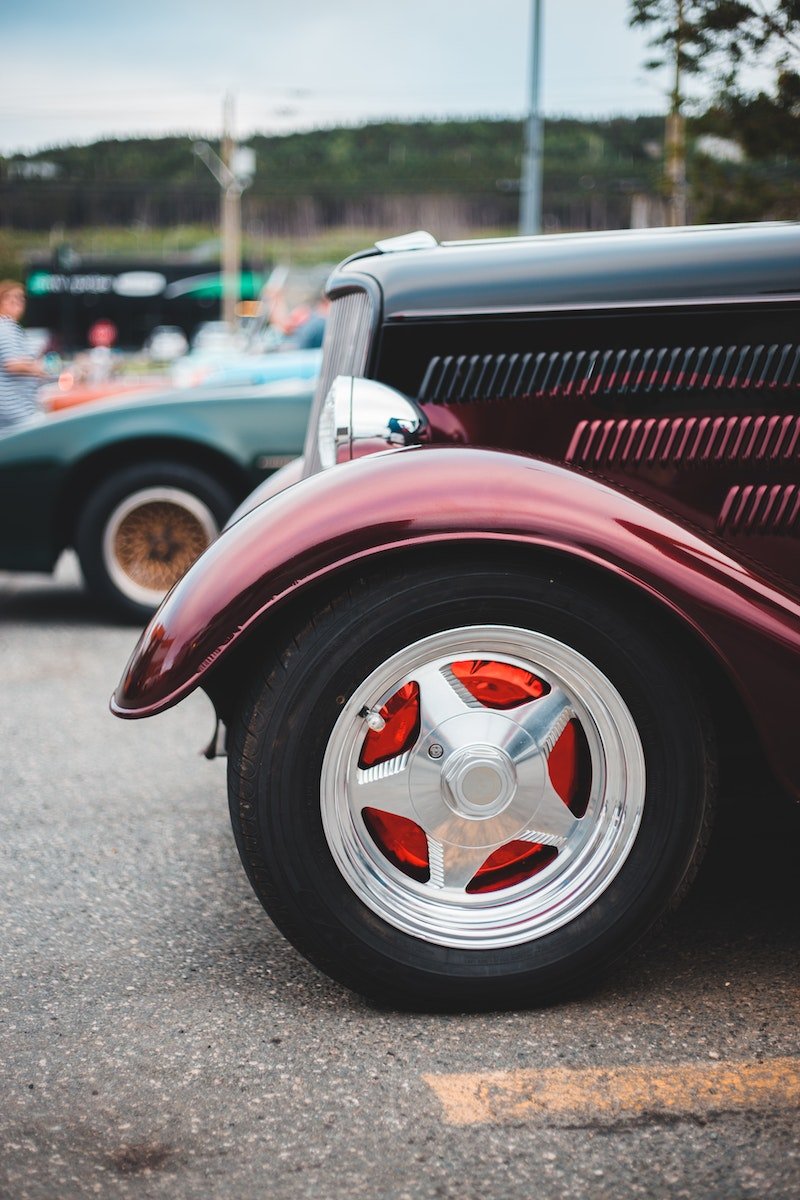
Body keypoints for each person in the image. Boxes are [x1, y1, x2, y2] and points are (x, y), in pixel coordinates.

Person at [0, 279, 49, 431]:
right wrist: (38, 369)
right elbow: (13, 364)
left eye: (20, 298)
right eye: (10, 297)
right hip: (16, 414)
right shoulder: (6, 326)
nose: (16, 301)